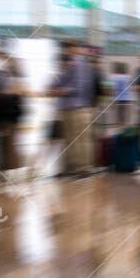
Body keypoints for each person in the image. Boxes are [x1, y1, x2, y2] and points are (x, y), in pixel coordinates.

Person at [49, 42, 96, 177]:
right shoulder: (66, 64)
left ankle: (84, 168)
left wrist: (61, 91)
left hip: (79, 108)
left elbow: (80, 87)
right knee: (69, 139)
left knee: (81, 139)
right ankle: (72, 167)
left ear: (78, 49)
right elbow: (56, 82)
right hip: (67, 107)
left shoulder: (82, 65)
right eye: (67, 48)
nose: (69, 51)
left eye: (71, 48)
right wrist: (54, 88)